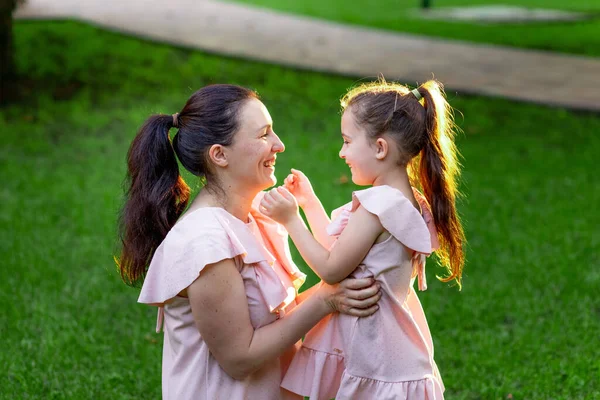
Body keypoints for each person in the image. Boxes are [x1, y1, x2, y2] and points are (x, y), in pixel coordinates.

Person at [116, 84, 382, 400]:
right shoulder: (204, 242)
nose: (279, 145)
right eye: (263, 135)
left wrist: (339, 292)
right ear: (219, 155)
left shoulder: (254, 217)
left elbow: (277, 319)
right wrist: (326, 300)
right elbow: (239, 358)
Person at [259, 78, 466, 399]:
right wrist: (310, 204)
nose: (342, 152)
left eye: (347, 141)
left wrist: (290, 220)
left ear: (380, 148)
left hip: (378, 356)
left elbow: (332, 269)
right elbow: (344, 254)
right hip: (384, 349)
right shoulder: (408, 200)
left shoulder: (378, 206)